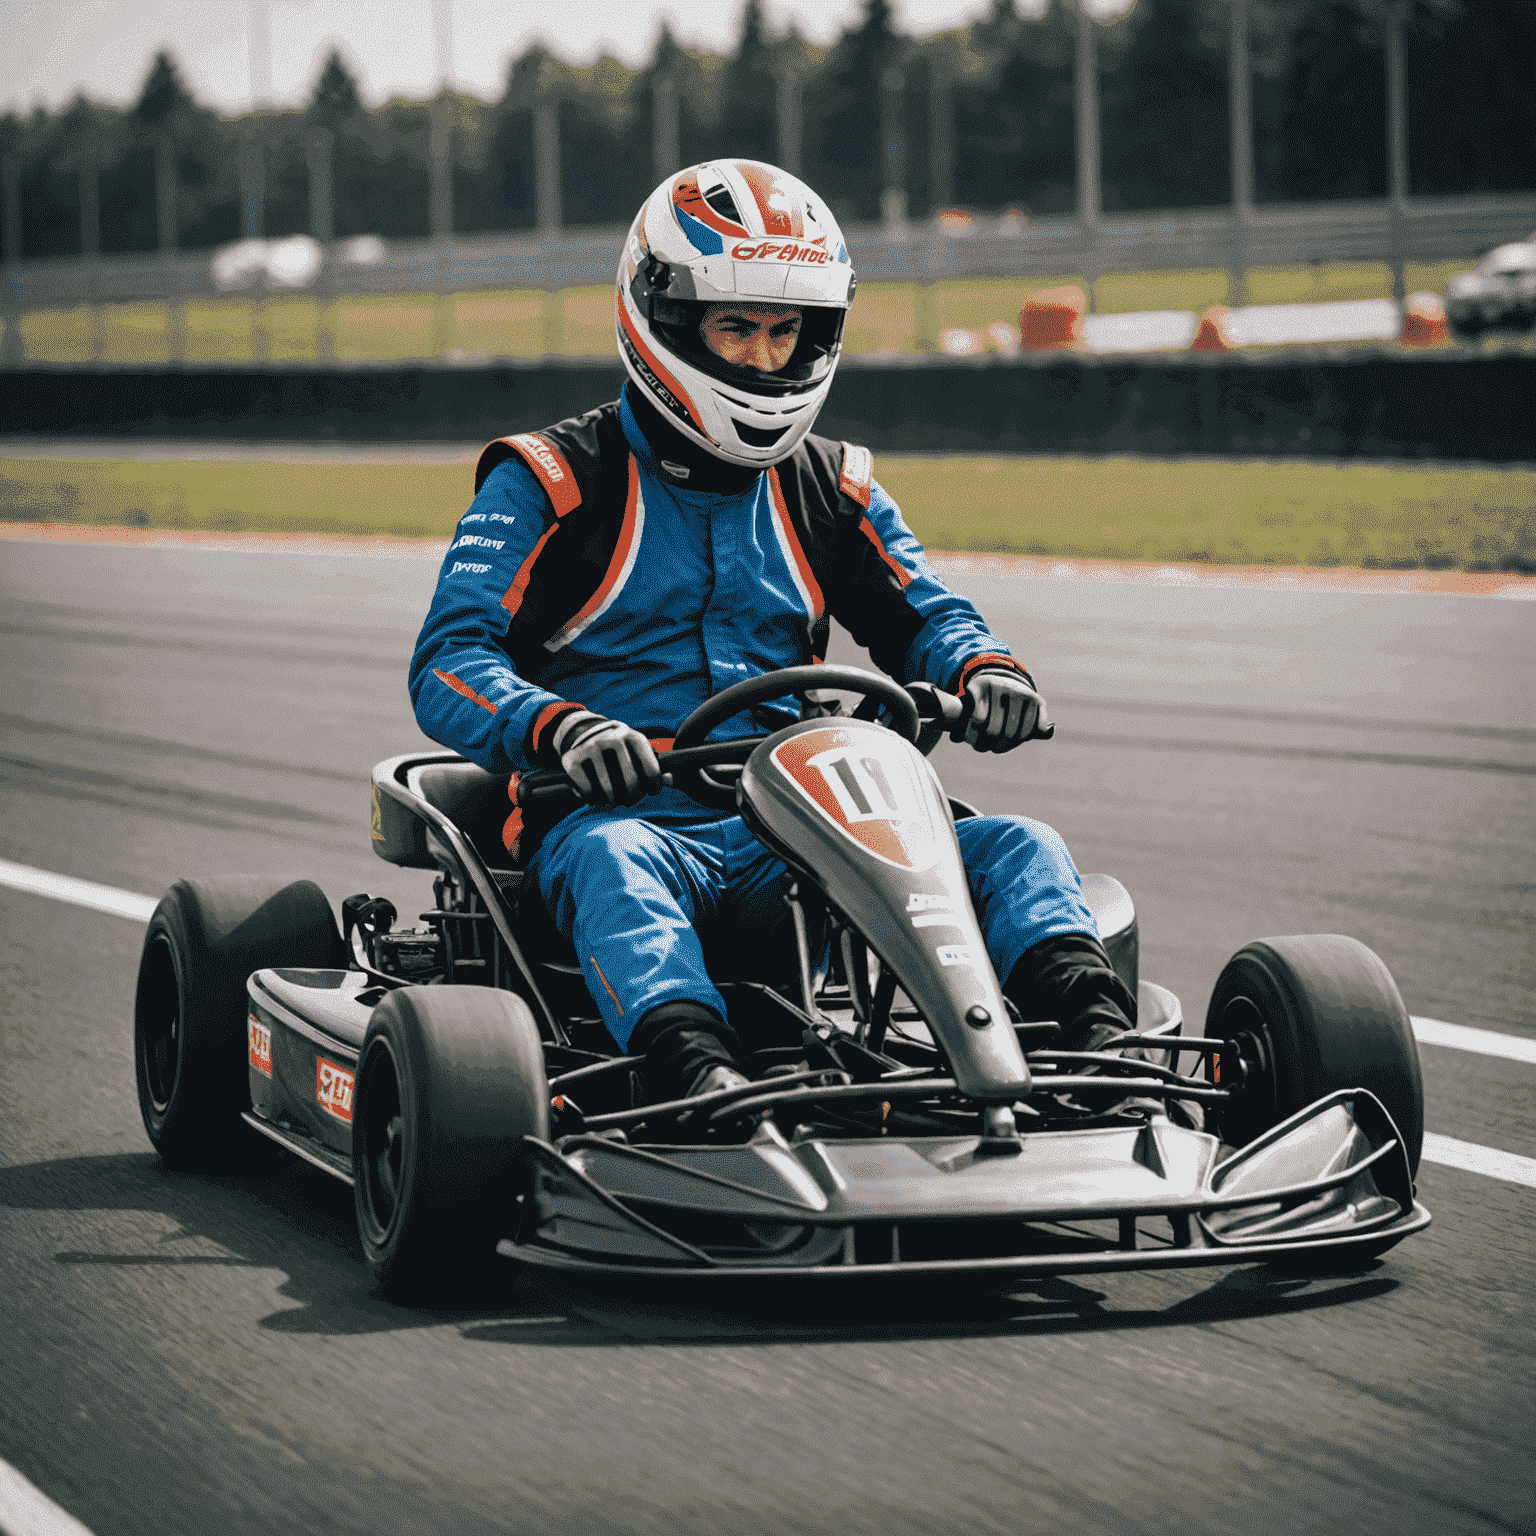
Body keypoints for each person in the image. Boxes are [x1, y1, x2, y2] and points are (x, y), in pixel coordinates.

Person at [410, 159, 1136, 1104]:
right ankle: (697, 1076)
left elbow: (930, 616)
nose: (764, 361)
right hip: (623, 816)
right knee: (615, 861)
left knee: (1017, 846)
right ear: (666, 321)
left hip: (798, 829)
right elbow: (448, 661)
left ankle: (1103, 1051)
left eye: (787, 331)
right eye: (738, 328)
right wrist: (565, 729)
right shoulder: (552, 481)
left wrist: (985, 669)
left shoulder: (832, 489)